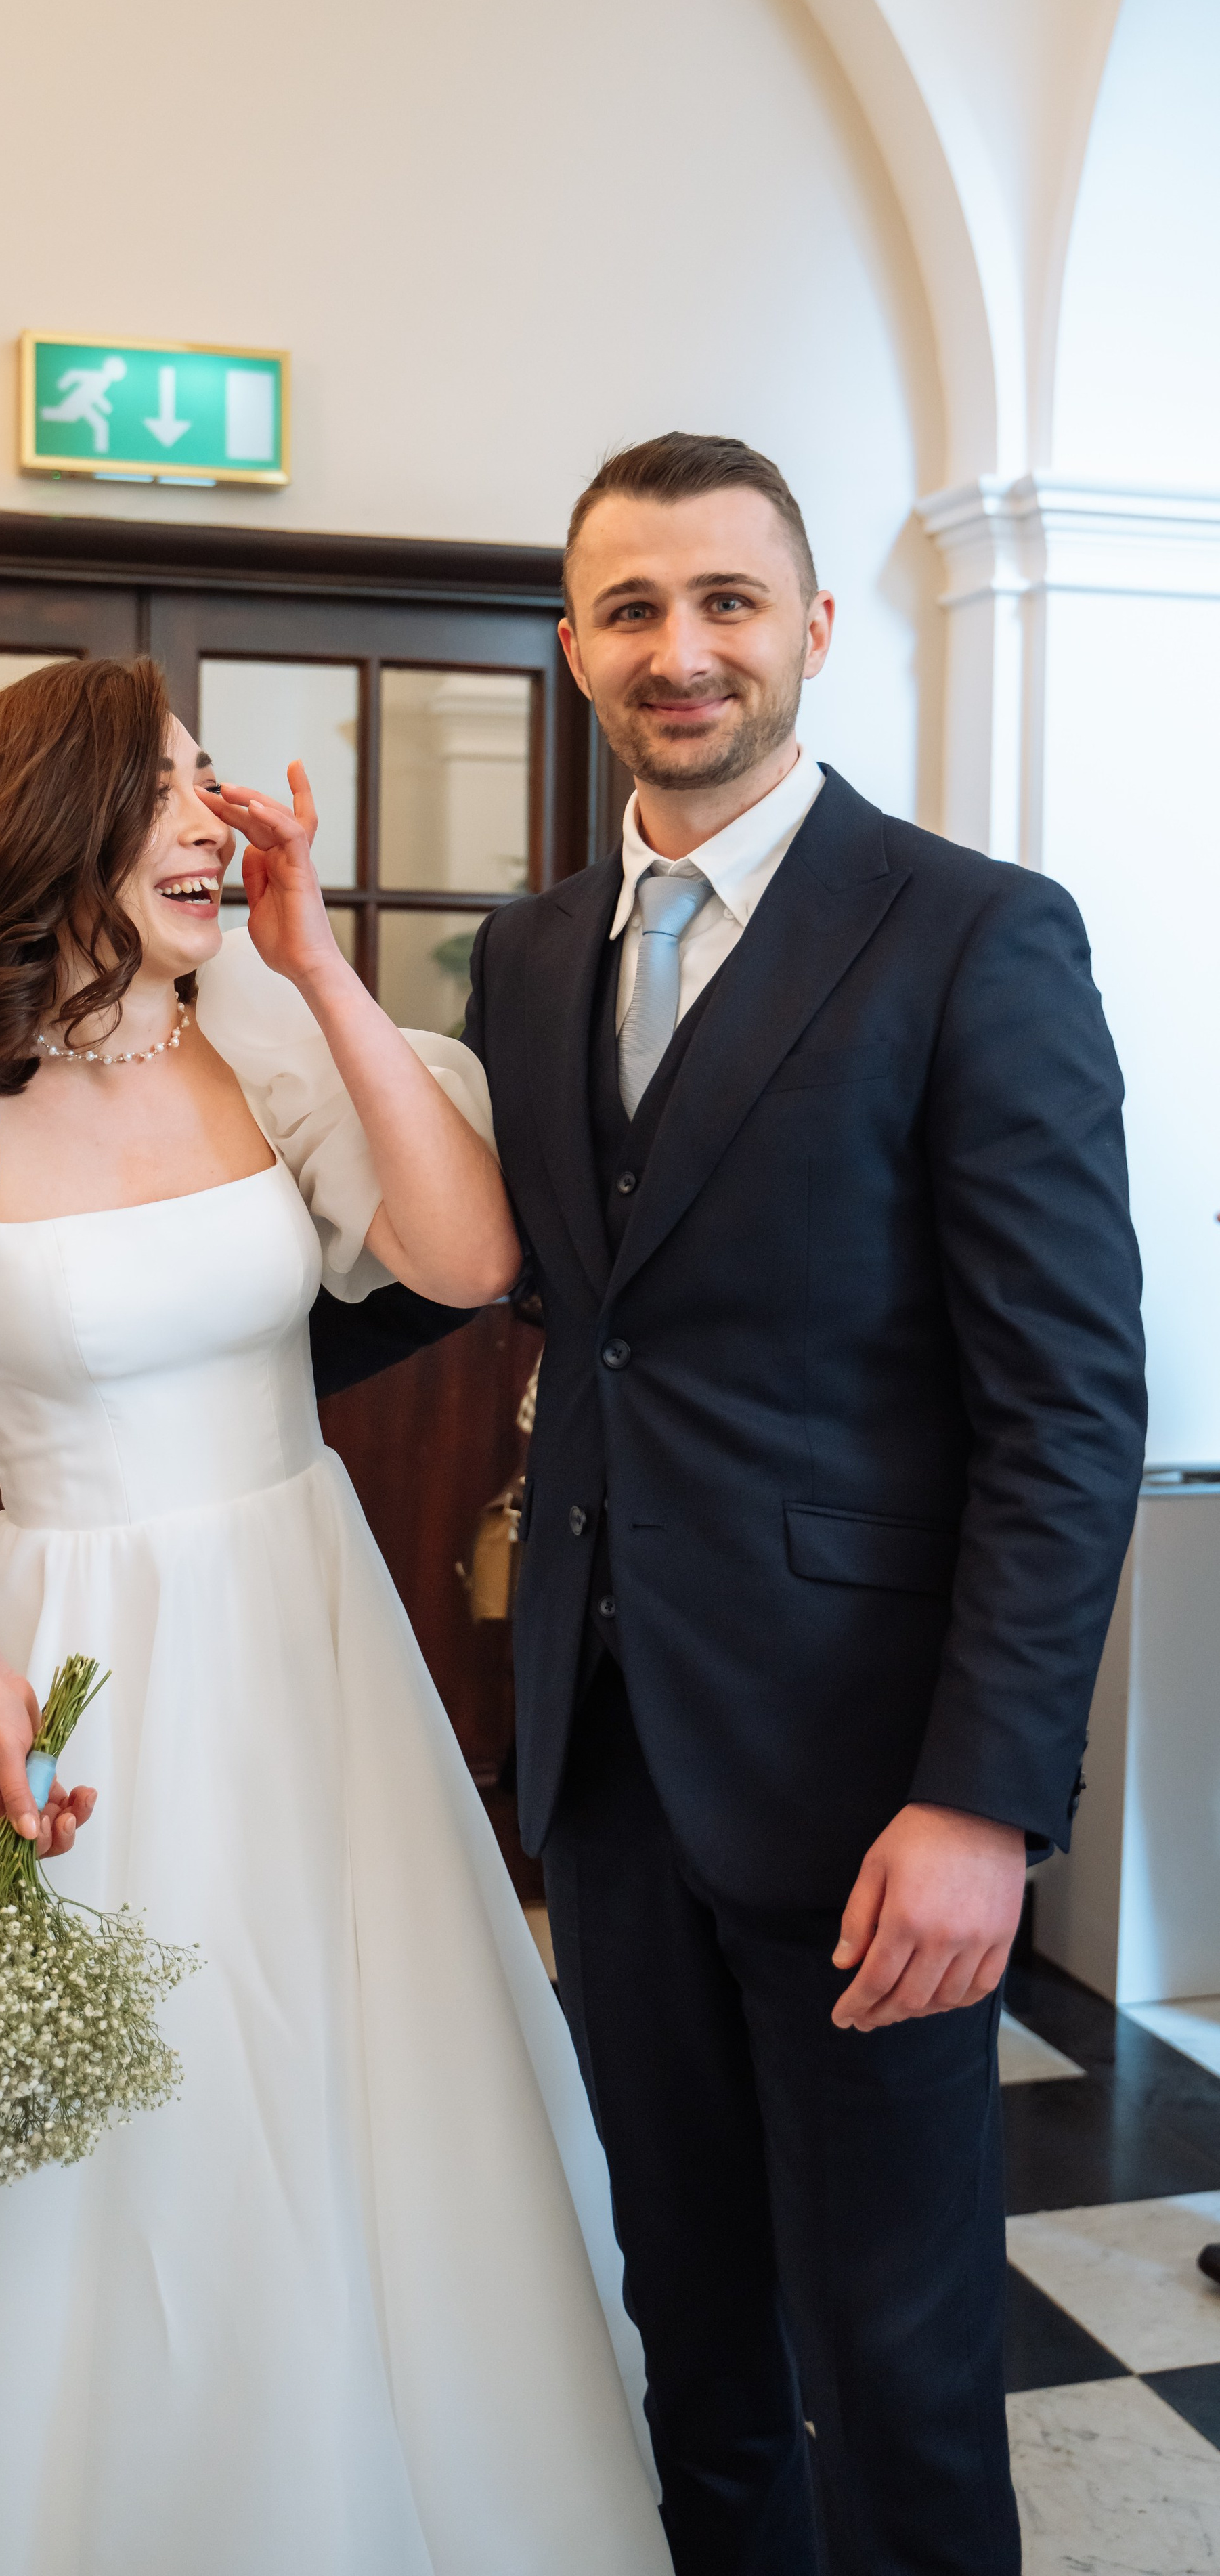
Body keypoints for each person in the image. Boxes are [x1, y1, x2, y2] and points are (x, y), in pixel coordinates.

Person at [0, 658, 672, 2575]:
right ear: (60, 832)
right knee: (121, 2133)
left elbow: (465, 1255)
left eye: (213, 789)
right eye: (175, 795)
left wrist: (324, 966)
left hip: (305, 1617)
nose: (220, 824)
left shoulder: (249, 1025)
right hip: (72, 1648)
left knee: (353, 2071)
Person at [313, 433, 1146, 2573]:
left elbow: (1064, 1409)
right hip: (603, 1755)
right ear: (574, 642)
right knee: (686, 2331)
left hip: (871, 1776)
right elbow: (501, 1285)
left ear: (813, 632)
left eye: (725, 604)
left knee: (896, 2360)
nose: (679, 653)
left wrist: (986, 1798)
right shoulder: (526, 950)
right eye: (631, 609)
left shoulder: (972, 935)